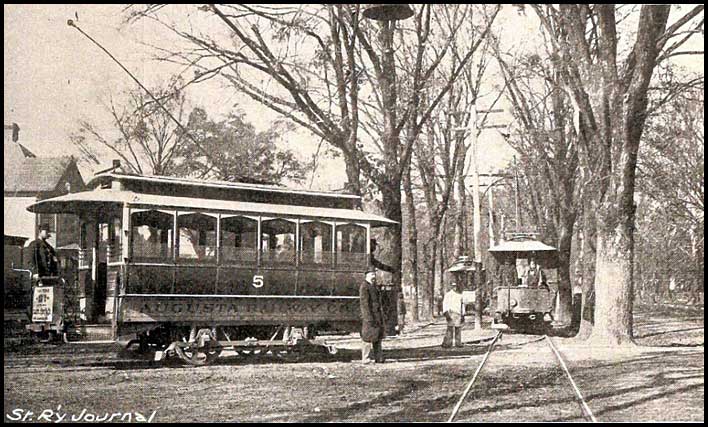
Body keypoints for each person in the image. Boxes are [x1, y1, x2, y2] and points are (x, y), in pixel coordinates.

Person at [359, 268, 386, 363]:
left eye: (374, 274)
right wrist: (368, 317)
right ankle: (365, 358)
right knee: (367, 337)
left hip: (377, 315)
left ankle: (378, 358)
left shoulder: (374, 286)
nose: (374, 276)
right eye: (371, 274)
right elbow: (364, 304)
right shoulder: (364, 286)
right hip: (369, 317)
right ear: (366, 276)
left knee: (377, 337)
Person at [442, 282, 465, 348]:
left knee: (458, 328)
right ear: (451, 287)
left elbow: (462, 305)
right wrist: (446, 313)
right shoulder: (448, 295)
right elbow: (445, 304)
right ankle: (448, 343)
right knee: (450, 328)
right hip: (450, 313)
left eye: (456, 286)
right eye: (453, 286)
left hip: (458, 313)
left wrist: (463, 314)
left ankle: (458, 343)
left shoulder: (460, 295)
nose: (455, 287)